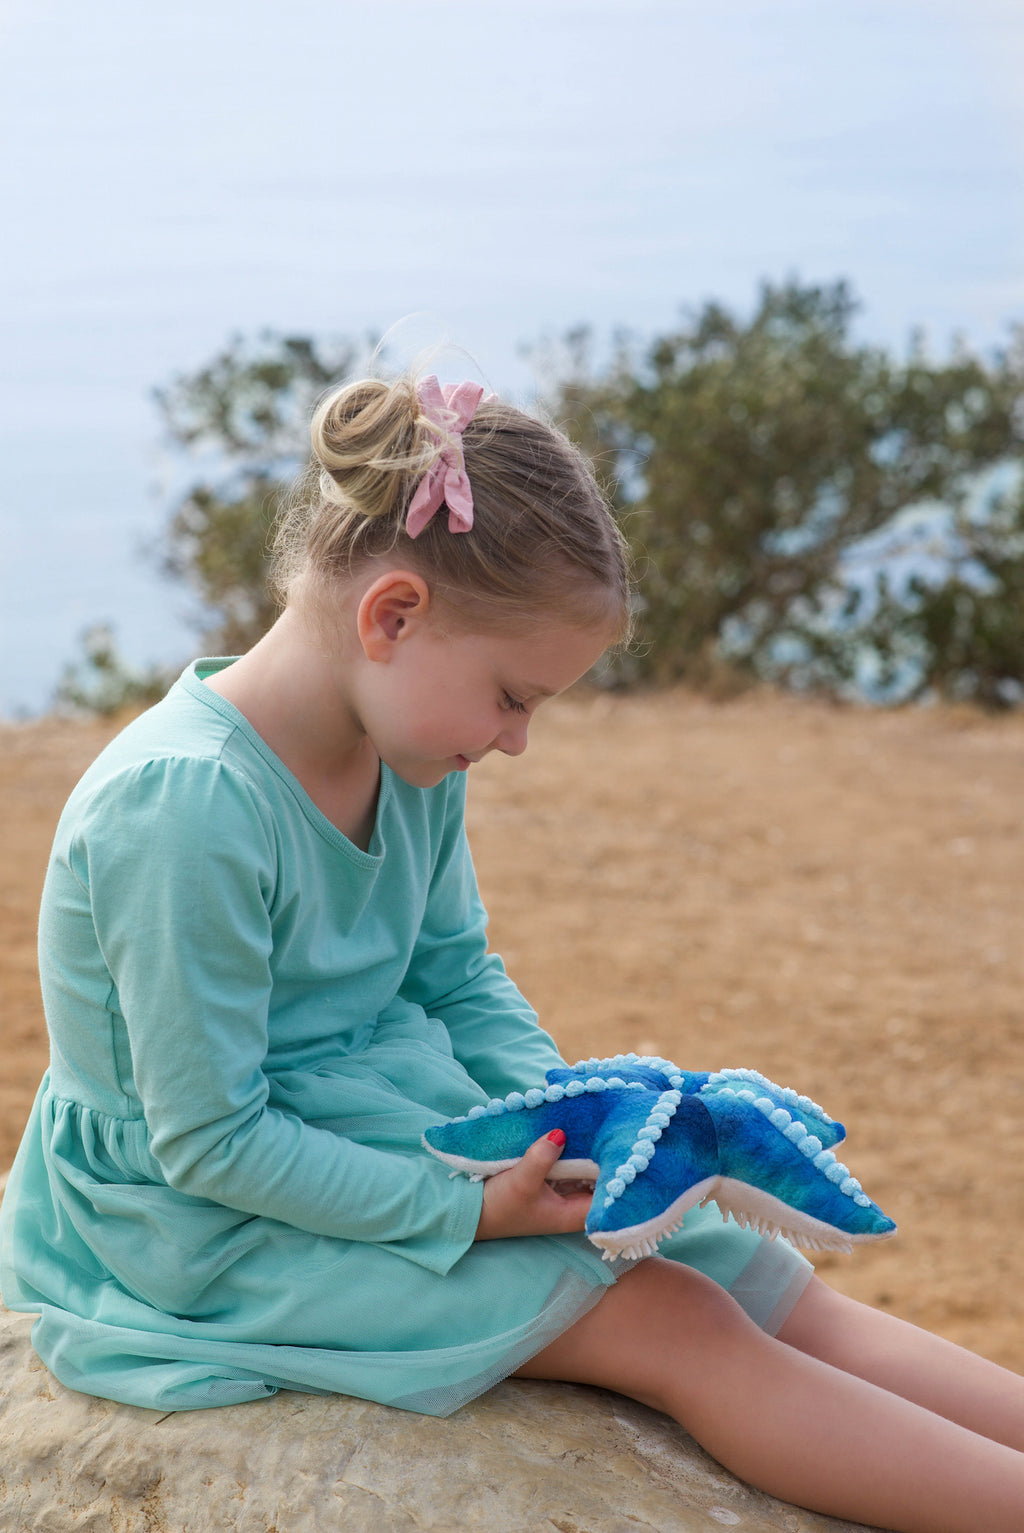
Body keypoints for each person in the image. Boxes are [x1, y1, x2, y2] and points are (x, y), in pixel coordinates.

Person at [1, 372, 1022, 1532]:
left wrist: (577, 1122)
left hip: (373, 1123)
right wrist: (465, 1217)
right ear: (392, 615)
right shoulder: (184, 808)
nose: (518, 740)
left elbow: (455, 979)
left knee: (731, 1262)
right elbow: (208, 1140)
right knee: (673, 1321)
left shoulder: (406, 752)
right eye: (509, 698)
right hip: (196, 1224)